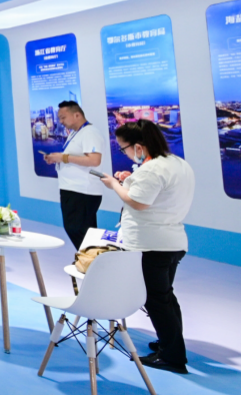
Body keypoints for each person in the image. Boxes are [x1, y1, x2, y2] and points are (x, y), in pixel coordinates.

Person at [98, 120, 195, 374]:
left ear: (138, 146)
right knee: (165, 297)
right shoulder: (177, 163)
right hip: (171, 242)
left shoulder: (151, 170)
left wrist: (115, 185)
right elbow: (156, 194)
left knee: (156, 301)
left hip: (151, 245)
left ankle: (172, 357)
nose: (125, 153)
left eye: (124, 149)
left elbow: (139, 203)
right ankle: (169, 344)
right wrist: (130, 180)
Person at [43, 101, 106, 250]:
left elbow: (94, 160)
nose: (61, 121)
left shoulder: (90, 132)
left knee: (79, 230)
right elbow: (74, 158)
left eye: (63, 117)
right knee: (79, 230)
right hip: (73, 189)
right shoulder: (75, 133)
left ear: (77, 115)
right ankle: (90, 260)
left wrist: (64, 158)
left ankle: (92, 260)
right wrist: (57, 159)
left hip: (82, 191)